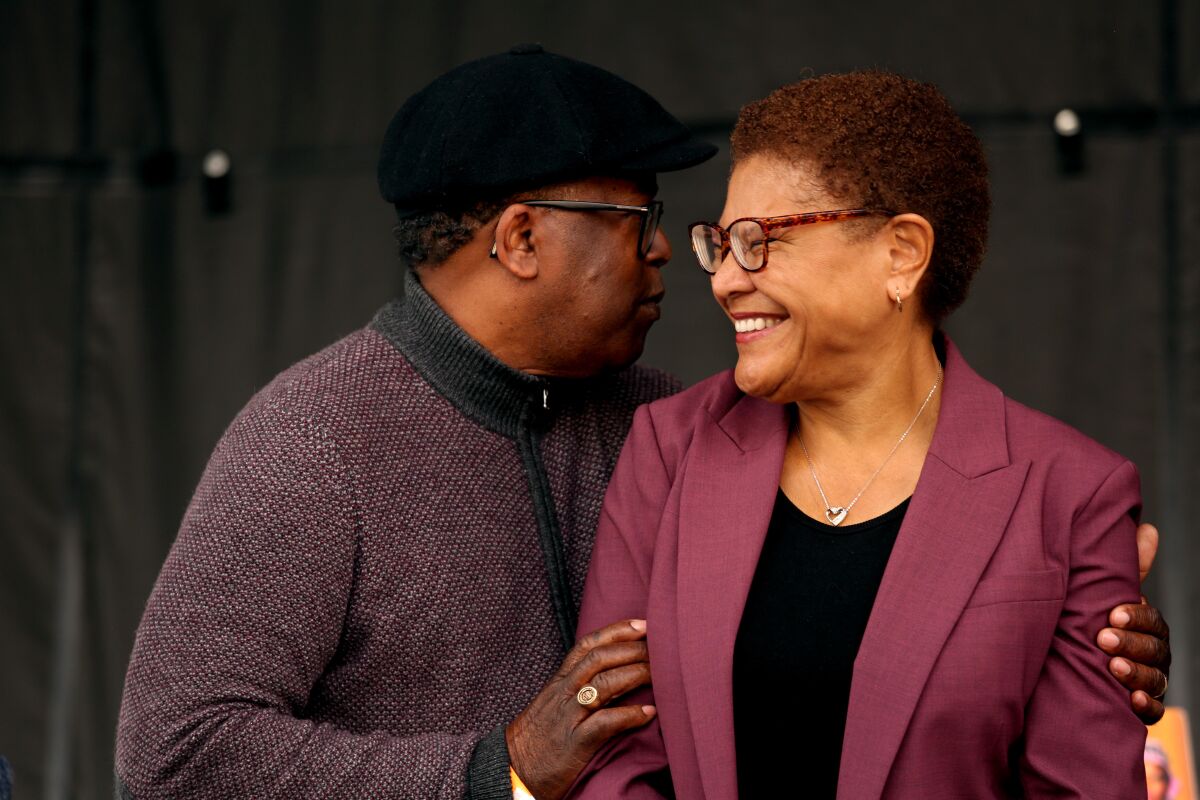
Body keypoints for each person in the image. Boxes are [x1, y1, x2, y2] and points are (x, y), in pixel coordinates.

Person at [114, 51, 1169, 800]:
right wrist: (502, 769)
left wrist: (1071, 636)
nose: (675, 255)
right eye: (640, 220)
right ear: (522, 236)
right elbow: (173, 751)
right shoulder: (316, 439)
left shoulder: (660, 417)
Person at [571, 70, 1165, 799]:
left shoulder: (1070, 494)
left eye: (759, 241)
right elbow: (612, 761)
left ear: (902, 254)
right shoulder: (669, 450)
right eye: (721, 244)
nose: (725, 279)